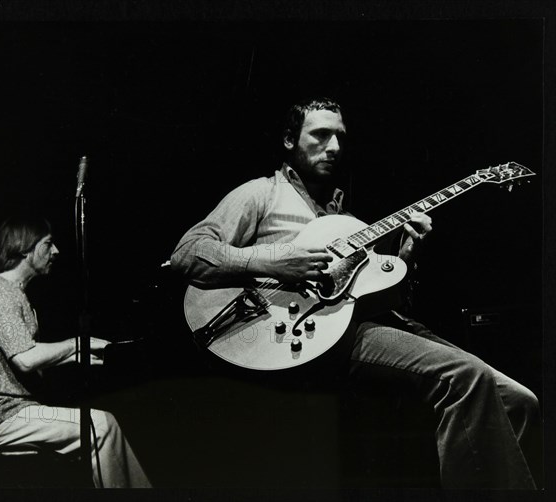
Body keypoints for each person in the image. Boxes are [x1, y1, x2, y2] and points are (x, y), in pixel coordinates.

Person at [170, 97, 541, 489]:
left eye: (340, 137)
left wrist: (404, 259)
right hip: (299, 332)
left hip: (358, 321)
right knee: (462, 377)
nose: (333, 147)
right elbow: (187, 255)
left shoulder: (348, 221)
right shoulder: (260, 194)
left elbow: (381, 297)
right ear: (288, 140)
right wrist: (274, 262)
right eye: (321, 135)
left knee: (519, 401)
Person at [0, 215, 152, 488]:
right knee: (100, 426)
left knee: (102, 422)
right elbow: (26, 359)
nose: (56, 252)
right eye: (48, 244)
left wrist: (106, 353)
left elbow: (41, 357)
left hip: (16, 412)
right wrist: (77, 344)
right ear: (25, 247)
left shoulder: (19, 297)